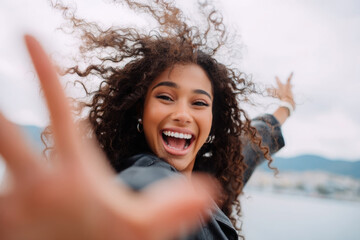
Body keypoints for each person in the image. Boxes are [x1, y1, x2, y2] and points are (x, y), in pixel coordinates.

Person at [0, 0, 295, 239]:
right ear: (140, 112)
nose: (182, 114)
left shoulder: (217, 176)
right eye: (165, 97)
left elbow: (257, 139)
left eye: (199, 103)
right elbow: (142, 191)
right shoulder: (146, 173)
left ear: (213, 122)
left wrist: (285, 106)